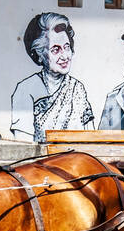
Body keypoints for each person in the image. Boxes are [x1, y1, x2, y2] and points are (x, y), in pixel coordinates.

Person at [10, 13, 94, 142]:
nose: (65, 56)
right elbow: (23, 146)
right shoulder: (25, 90)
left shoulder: (77, 89)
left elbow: (90, 139)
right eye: (55, 49)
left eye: (67, 47)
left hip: (76, 160)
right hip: (39, 161)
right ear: (39, 54)